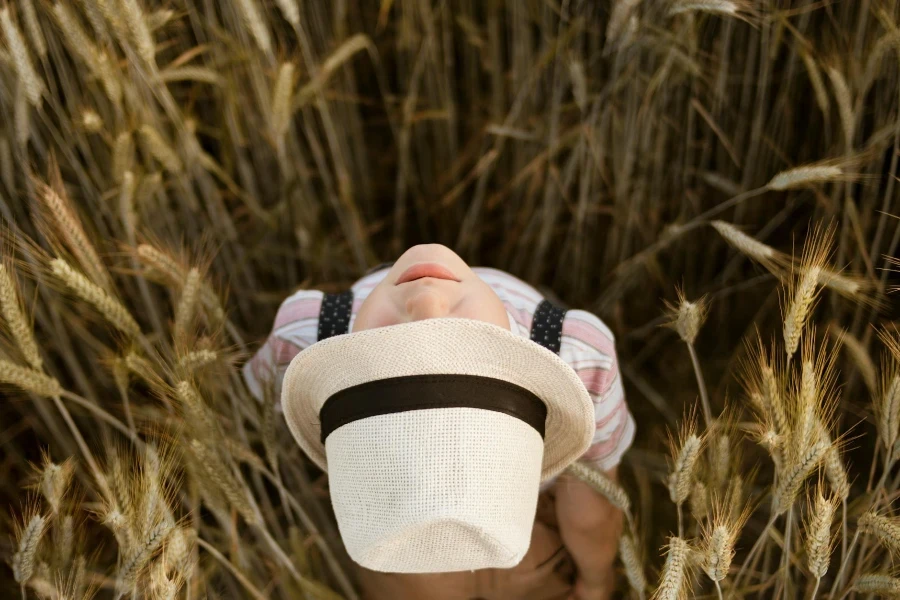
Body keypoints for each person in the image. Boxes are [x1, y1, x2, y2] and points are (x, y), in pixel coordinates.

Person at [243, 244, 635, 600]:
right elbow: (589, 512)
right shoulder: (579, 354)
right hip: (518, 540)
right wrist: (596, 582)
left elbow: (257, 410)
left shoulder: (302, 337)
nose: (427, 302)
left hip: (390, 541)